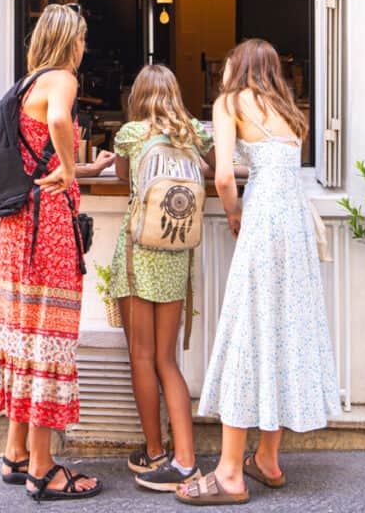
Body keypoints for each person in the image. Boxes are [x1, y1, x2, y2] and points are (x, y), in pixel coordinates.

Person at [178, 39, 340, 507]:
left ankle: (230, 473)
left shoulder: (229, 102)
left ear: (240, 66)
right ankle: (267, 459)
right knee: (283, 331)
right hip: (295, 226)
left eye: (229, 60)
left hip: (264, 222)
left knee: (248, 332)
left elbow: (224, 176)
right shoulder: (291, 112)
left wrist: (232, 213)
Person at [0, 4, 114, 502]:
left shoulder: (25, 85)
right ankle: (43, 467)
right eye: (81, 39)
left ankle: (15, 452)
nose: (84, 48)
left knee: (23, 334)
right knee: (48, 336)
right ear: (68, 41)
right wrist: (66, 165)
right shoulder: (61, 78)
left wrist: (81, 168)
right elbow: (59, 122)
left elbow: (36, 159)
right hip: (47, 231)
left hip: (18, 230)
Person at [109, 64, 216, 493]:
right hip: (176, 256)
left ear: (138, 95)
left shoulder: (132, 135)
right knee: (167, 360)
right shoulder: (194, 132)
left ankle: (155, 451)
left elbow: (121, 176)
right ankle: (186, 458)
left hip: (138, 255)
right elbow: (214, 166)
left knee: (141, 356)